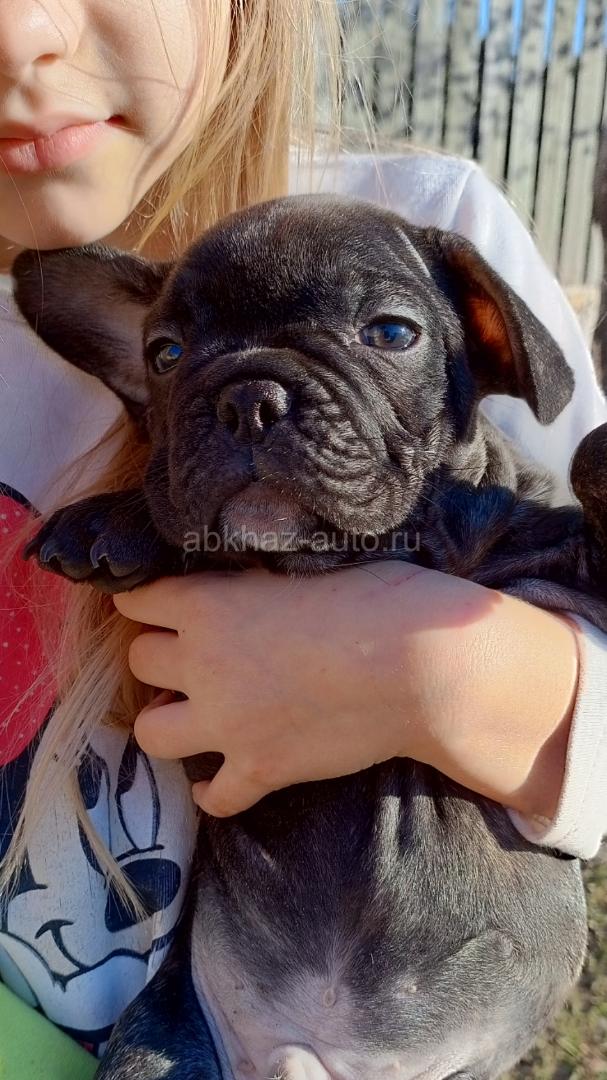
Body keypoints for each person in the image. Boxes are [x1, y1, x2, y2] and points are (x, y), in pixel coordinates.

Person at [0, 0, 605, 1061]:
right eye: (173, 358)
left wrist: (444, 680)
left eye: (385, 334)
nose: (18, 34)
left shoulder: (428, 212)